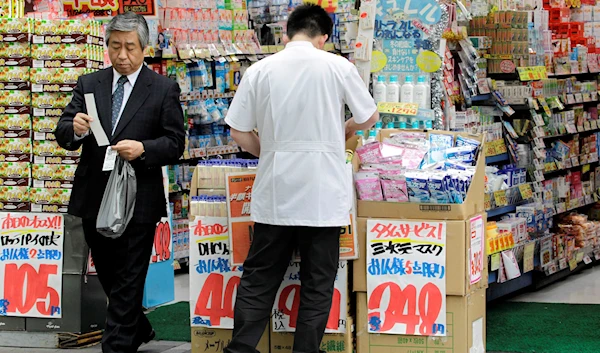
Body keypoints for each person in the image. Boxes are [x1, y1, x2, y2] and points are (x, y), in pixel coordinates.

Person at [223, 4, 379, 353]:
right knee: (318, 281)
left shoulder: (260, 70)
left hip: (275, 191)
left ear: (286, 33)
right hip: (322, 194)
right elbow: (369, 117)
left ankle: (240, 349)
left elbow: (237, 129)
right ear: (323, 37)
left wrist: (267, 151)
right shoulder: (338, 67)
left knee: (260, 277)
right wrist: (344, 128)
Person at [55, 12, 185, 353]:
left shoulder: (162, 89)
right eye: (115, 47)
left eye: (129, 47)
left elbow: (175, 143)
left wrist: (144, 148)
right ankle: (137, 326)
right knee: (111, 274)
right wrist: (75, 129)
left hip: (138, 197)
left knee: (129, 275)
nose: (122, 55)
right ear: (107, 47)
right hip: (94, 196)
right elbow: (64, 131)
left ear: (144, 48)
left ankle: (116, 345)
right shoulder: (90, 83)